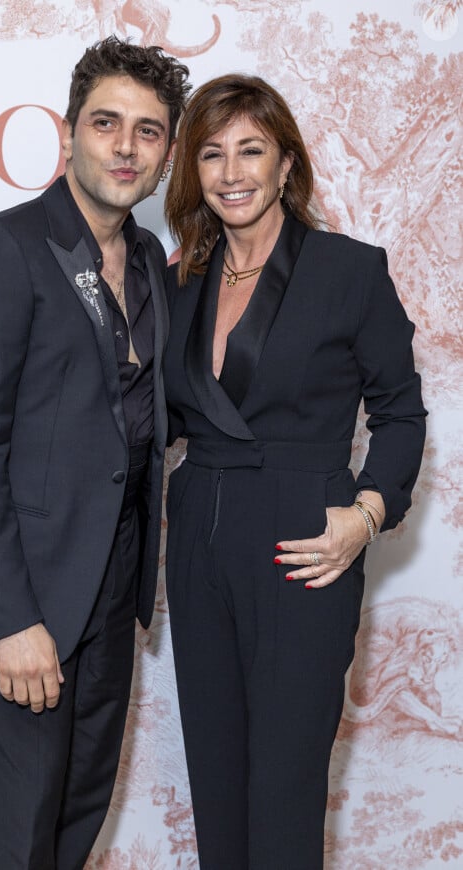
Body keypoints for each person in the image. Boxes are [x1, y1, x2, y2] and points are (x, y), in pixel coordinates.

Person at [0, 37, 190, 870]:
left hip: (114, 587)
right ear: (68, 131)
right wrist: (9, 623)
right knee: (15, 839)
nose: (125, 146)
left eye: (148, 132)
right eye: (106, 123)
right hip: (26, 596)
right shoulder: (0, 248)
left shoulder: (151, 260)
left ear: (166, 153)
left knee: (76, 820)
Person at [163, 74, 426, 870]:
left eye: (252, 149)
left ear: (286, 166)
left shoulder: (349, 271)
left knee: (282, 795)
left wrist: (367, 512)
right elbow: (170, 416)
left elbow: (402, 413)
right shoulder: (183, 280)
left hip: (303, 539)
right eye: (212, 153)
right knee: (216, 780)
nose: (232, 171)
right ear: (194, 172)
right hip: (199, 533)